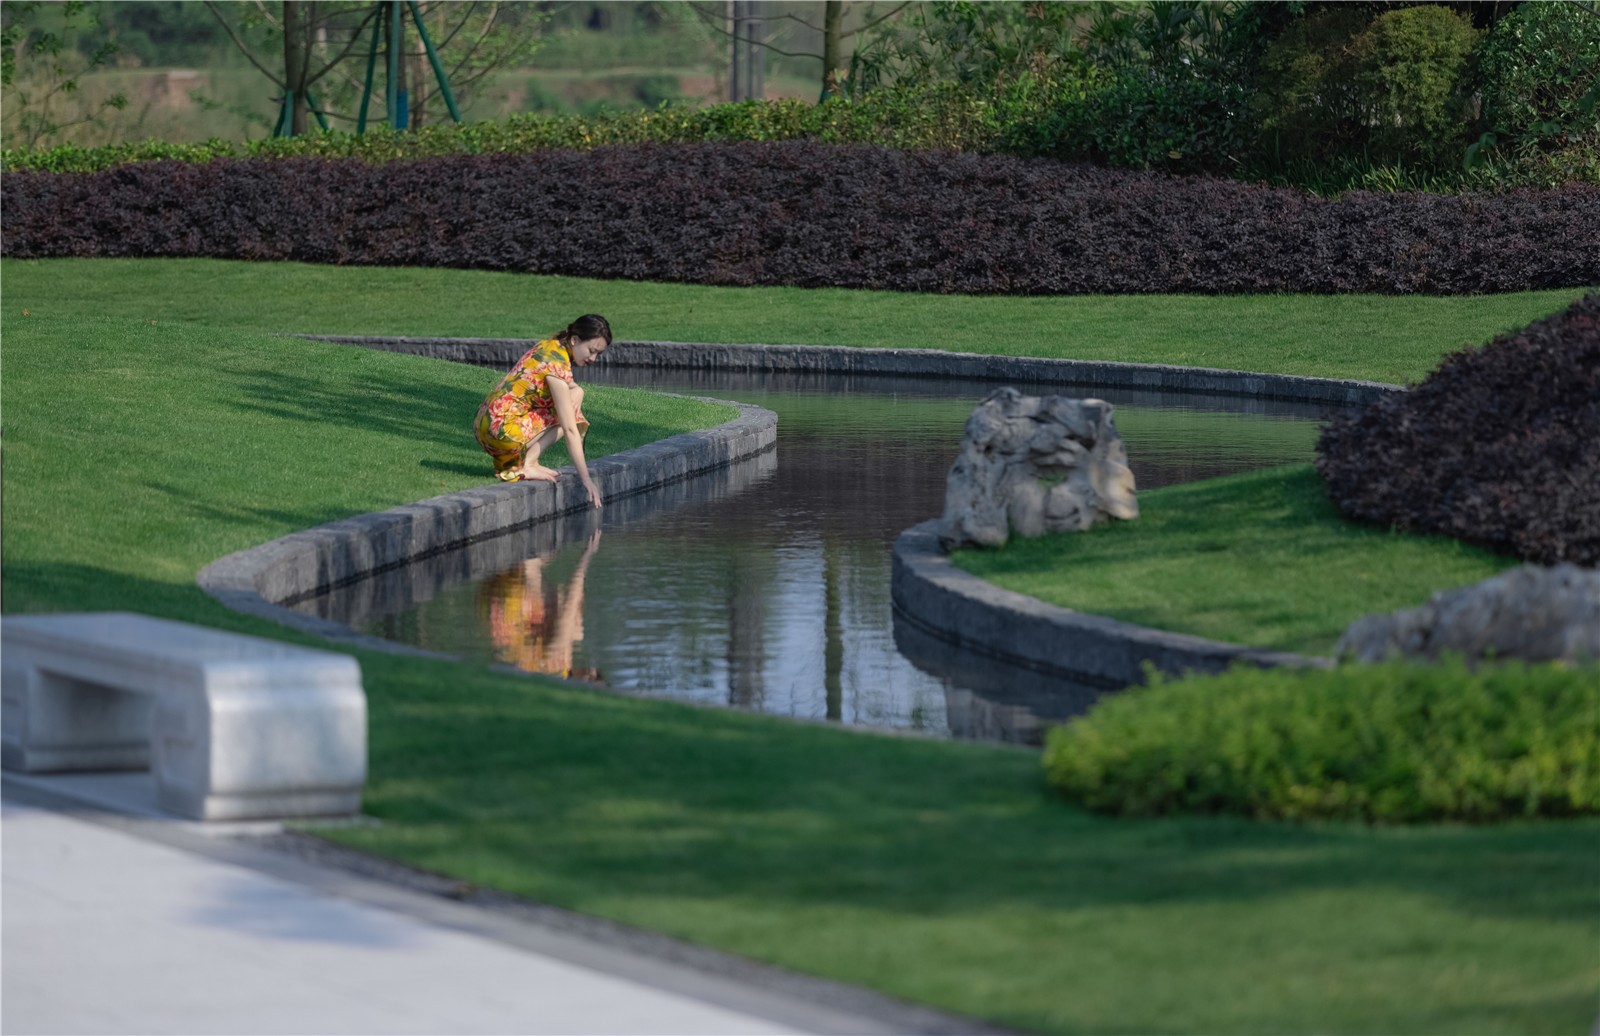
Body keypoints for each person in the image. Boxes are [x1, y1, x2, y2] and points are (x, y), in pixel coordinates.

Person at [474, 314, 610, 509]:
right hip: (501, 431)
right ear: (575, 340)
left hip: (484, 425)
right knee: (572, 415)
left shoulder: (550, 347)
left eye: (599, 354)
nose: (594, 358)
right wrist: (586, 479)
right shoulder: (557, 366)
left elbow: (570, 385)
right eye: (591, 350)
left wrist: (579, 390)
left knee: (568, 402)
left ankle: (517, 465)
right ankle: (529, 463)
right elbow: (570, 429)